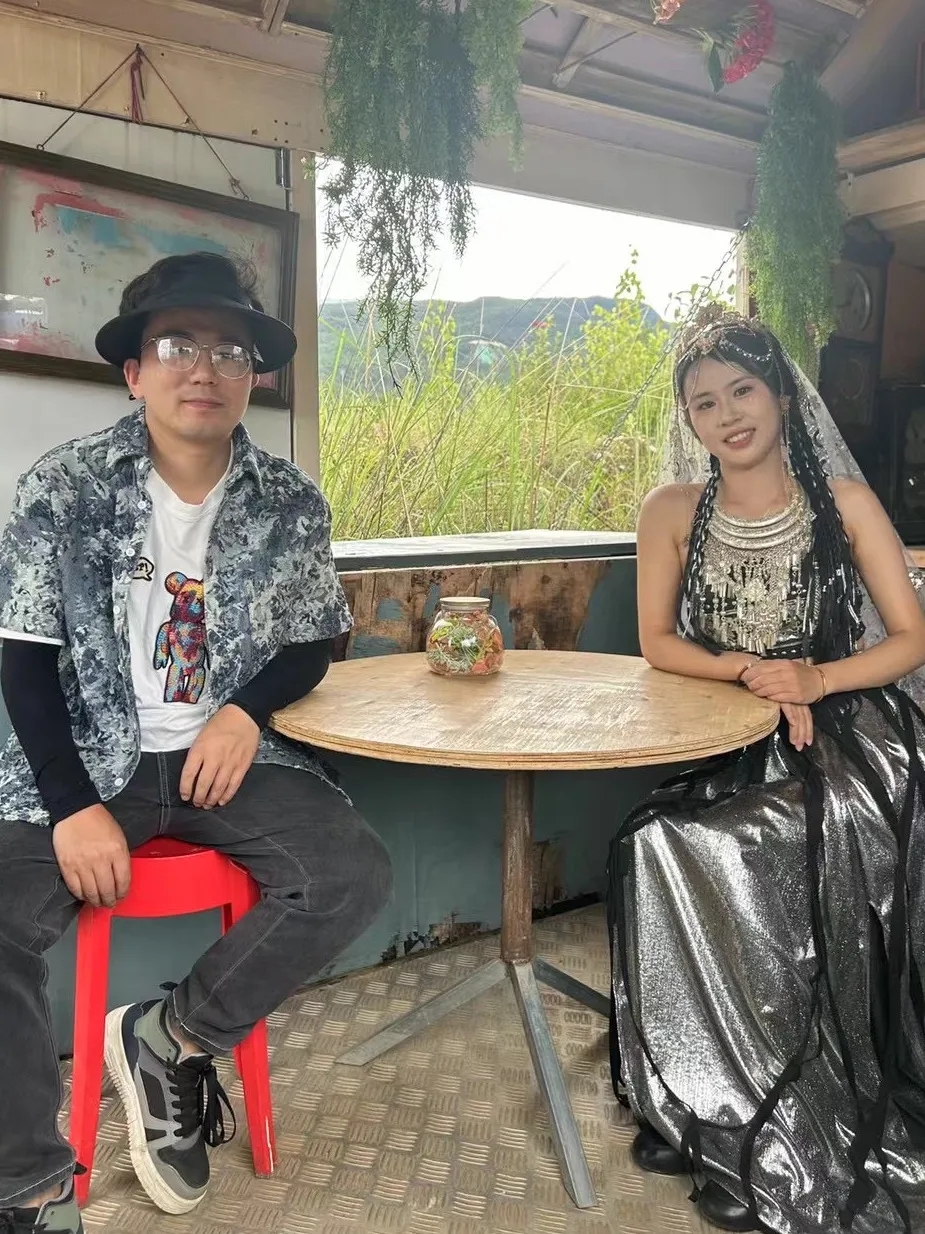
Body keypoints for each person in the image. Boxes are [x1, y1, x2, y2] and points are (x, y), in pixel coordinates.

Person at [0, 251, 392, 1234]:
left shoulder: (289, 501)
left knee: (350, 873)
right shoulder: (64, 488)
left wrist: (242, 711)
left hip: (233, 760)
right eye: (177, 345)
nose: (204, 368)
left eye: (230, 349)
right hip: (90, 759)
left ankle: (170, 1037)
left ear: (253, 374)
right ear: (136, 371)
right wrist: (72, 804)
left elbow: (310, 640)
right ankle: (29, 1185)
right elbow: (24, 656)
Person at [608, 306, 925, 1234]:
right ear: (689, 420)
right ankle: (702, 1093)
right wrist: (753, 672)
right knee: (652, 844)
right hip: (731, 725)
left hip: (849, 732)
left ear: (782, 394)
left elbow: (911, 640)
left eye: (741, 390)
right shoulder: (670, 511)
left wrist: (814, 678)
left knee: (750, 845)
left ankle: (777, 1105)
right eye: (703, 403)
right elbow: (656, 641)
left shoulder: (844, 501)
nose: (726, 415)